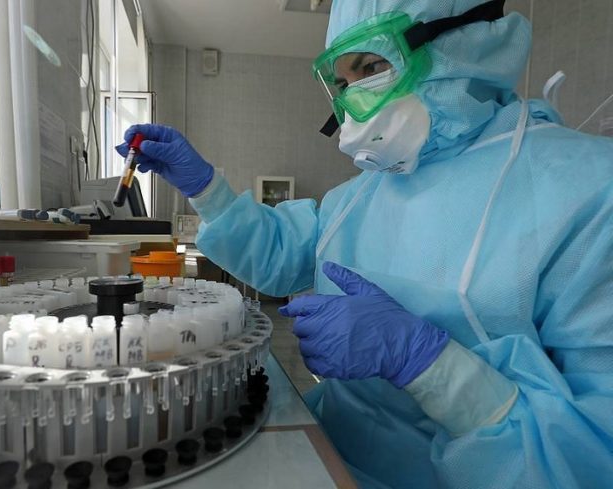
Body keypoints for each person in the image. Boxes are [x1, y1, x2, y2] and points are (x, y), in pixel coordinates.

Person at [117, 1, 613, 487]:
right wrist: (206, 188)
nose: (354, 97)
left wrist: (427, 363)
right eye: (343, 82)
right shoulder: (363, 193)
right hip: (330, 451)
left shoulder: (587, 191)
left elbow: (593, 457)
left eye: (372, 67)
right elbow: (282, 254)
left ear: (460, 41)